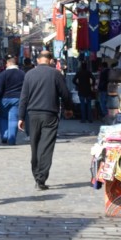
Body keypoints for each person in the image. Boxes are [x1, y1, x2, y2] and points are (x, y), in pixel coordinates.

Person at [17, 49, 69, 191]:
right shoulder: (56, 74)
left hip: (32, 115)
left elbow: (24, 97)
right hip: (50, 115)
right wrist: (69, 108)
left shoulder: (29, 75)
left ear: (38, 60)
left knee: (34, 146)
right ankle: (41, 178)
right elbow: (65, 94)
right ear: (50, 60)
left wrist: (21, 117)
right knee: (46, 147)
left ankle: (37, 174)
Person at [0, 56, 25, 145]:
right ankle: (12, 139)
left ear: (8, 64)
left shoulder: (3, 74)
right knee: (14, 119)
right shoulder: (22, 74)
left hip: (4, 99)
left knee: (3, 117)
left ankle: (4, 136)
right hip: (17, 99)